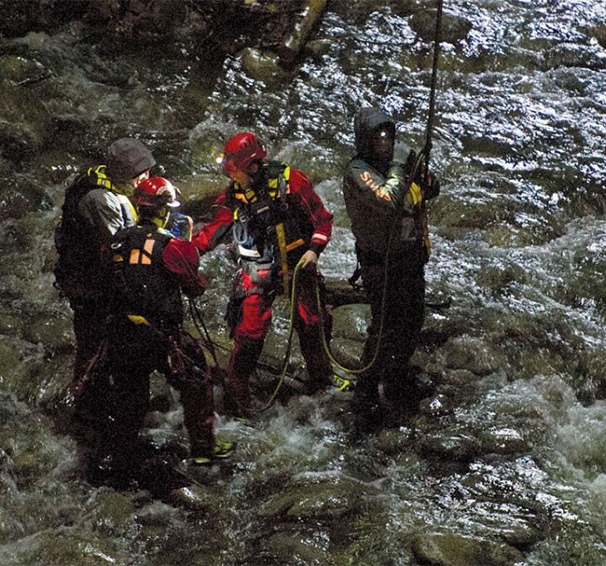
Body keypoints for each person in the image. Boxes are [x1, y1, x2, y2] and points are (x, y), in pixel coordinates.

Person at [76, 176, 232, 490]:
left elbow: (105, 279)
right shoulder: (172, 245)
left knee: (129, 401)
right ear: (163, 212)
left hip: (121, 334)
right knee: (196, 382)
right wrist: (187, 246)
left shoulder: (116, 242)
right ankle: (203, 452)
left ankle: (122, 465)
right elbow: (195, 287)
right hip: (161, 337)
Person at [193, 132, 336, 419]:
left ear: (253, 166)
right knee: (248, 329)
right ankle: (237, 394)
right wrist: (185, 254)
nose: (233, 178)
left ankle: (322, 384)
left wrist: (314, 250)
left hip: (297, 263)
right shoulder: (233, 195)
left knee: (311, 322)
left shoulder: (291, 183)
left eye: (237, 172)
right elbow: (213, 230)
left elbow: (322, 219)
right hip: (257, 267)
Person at [342, 107, 440, 431]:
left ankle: (397, 380)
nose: (385, 142)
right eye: (377, 136)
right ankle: (365, 392)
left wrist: (421, 175)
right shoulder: (358, 171)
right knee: (383, 328)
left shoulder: (399, 167)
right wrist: (400, 168)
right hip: (379, 262)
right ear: (365, 140)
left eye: (388, 135)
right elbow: (387, 199)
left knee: (411, 320)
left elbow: (429, 190)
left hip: (409, 256)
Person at [54, 137, 155, 385]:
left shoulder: (114, 187)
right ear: (123, 174)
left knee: (110, 338)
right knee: (93, 342)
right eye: (140, 175)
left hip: (97, 275)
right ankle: (84, 395)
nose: (146, 180)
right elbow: (119, 242)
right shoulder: (100, 199)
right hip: (88, 282)